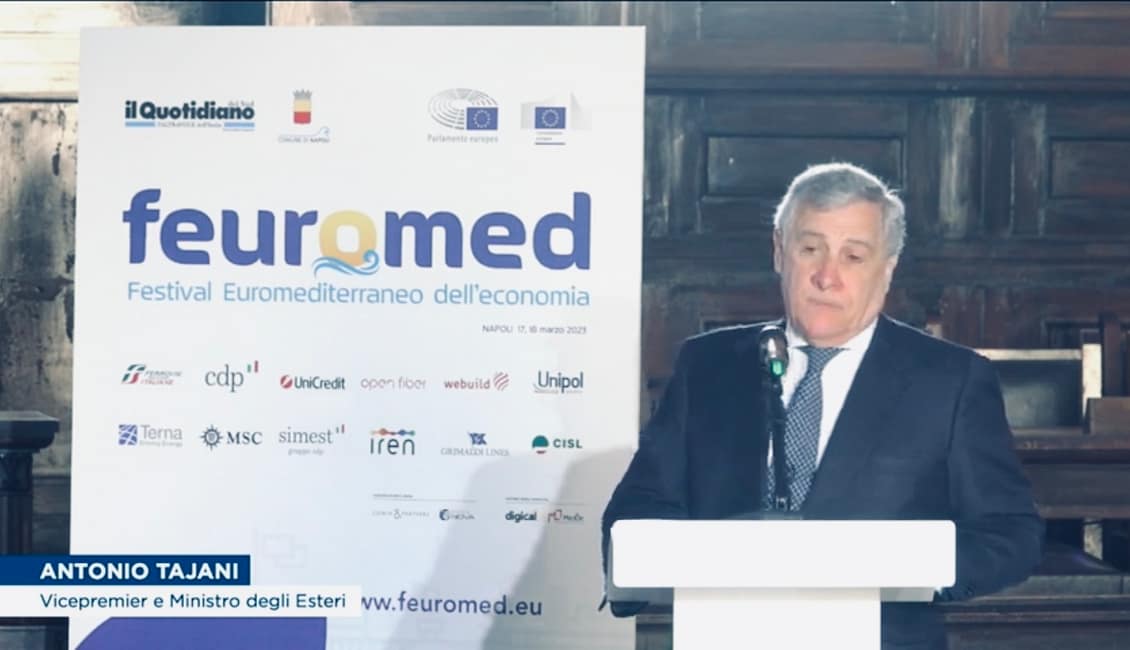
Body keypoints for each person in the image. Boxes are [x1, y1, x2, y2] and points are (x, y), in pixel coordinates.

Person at [600, 162, 1044, 650]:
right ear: (779, 251)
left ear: (887, 268)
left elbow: (1010, 533)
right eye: (810, 249)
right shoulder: (708, 365)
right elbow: (639, 505)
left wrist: (912, 568)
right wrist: (684, 560)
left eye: (853, 256)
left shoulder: (951, 380)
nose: (827, 277)